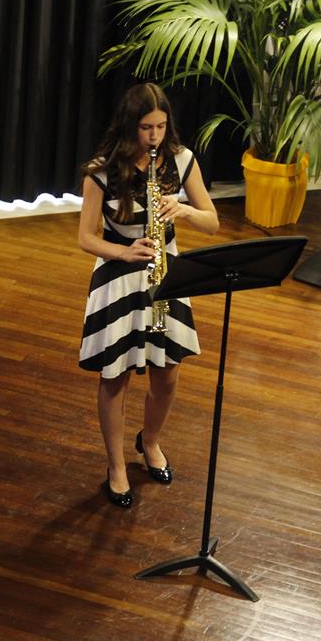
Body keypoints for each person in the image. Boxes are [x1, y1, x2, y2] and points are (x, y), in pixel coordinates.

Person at [77, 83, 219, 508]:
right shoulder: (101, 171)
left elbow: (212, 222)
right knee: (115, 375)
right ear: (129, 125)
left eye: (160, 126)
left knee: (167, 369)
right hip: (119, 276)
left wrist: (185, 210)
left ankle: (150, 441)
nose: (154, 136)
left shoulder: (180, 160)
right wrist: (123, 251)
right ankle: (116, 466)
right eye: (145, 128)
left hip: (163, 275)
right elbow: (86, 238)